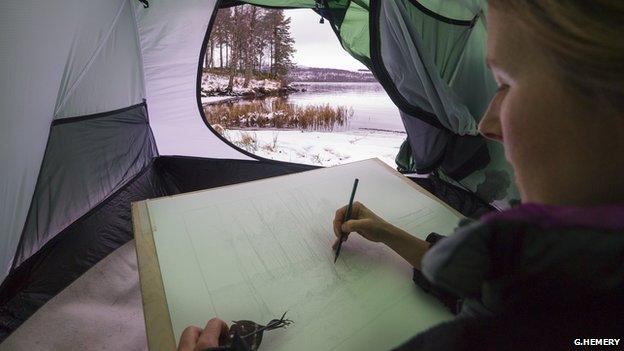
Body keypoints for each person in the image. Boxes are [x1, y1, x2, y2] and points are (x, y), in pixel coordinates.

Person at [178, 1, 624, 350]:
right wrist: (390, 235)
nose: (488, 124)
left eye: (507, 83)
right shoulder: (570, 286)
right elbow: (493, 297)